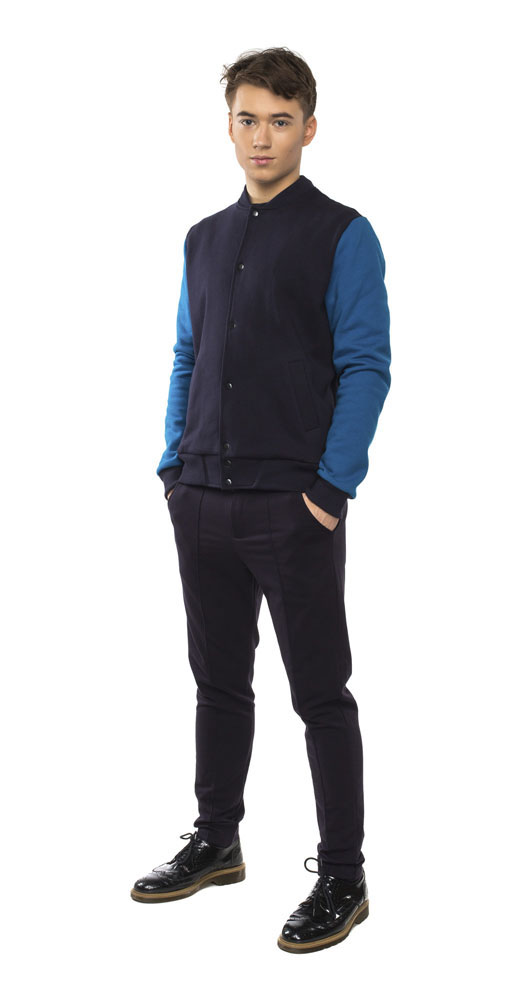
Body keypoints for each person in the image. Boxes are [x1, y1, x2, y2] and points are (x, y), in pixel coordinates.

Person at [130, 46, 391, 955]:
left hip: (293, 505)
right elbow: (187, 354)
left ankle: (344, 875)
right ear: (229, 126)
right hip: (202, 497)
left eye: (281, 121)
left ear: (309, 129)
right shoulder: (203, 238)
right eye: (248, 119)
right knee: (216, 682)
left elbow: (367, 365)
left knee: (321, 694)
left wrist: (330, 488)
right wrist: (174, 467)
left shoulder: (343, 233)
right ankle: (218, 839)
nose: (262, 138)